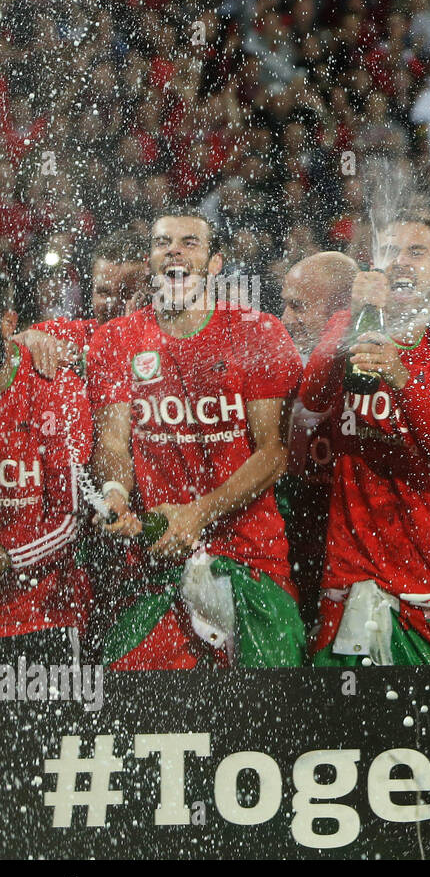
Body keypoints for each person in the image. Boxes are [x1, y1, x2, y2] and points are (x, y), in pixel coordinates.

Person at [86, 210, 306, 669]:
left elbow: (273, 454)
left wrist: (196, 514)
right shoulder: (116, 342)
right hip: (156, 565)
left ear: (216, 262)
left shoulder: (257, 332)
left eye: (190, 242)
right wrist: (116, 497)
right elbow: (112, 443)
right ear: (149, 260)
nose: (174, 251)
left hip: (251, 561)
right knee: (136, 710)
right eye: (163, 242)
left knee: (271, 718)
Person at [300, 212, 430, 665]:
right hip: (352, 571)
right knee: (345, 727)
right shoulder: (350, 324)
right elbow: (313, 395)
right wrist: (352, 323)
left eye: (417, 252)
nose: (402, 263)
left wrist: (401, 376)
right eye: (392, 252)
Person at [0, 277, 92, 663]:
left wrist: (9, 558)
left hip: (40, 618)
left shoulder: (52, 383)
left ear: (8, 322)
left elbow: (71, 519)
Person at [278, 250, 358, 632]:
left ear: (341, 309)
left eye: (298, 306)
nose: (285, 319)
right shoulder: (278, 364)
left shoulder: (365, 362)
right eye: (285, 305)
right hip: (296, 522)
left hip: (347, 530)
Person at [15, 230, 150, 378]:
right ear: (91, 290)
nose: (112, 303)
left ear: (149, 294)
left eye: (127, 294)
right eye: (104, 292)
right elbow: (8, 347)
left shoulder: (166, 343)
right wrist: (28, 338)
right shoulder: (71, 338)